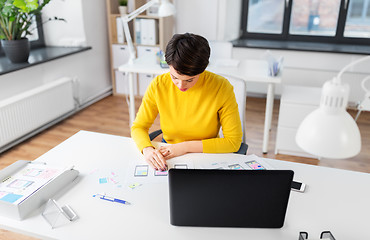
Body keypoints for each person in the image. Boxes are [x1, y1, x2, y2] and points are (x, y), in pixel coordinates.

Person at [131, 33, 242, 171]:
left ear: (203, 70)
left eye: (189, 80)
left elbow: (233, 142)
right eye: (174, 77)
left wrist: (184, 147)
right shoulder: (158, 85)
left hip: (207, 154)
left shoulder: (221, 87)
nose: (180, 86)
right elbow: (138, 127)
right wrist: (147, 149)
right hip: (169, 153)